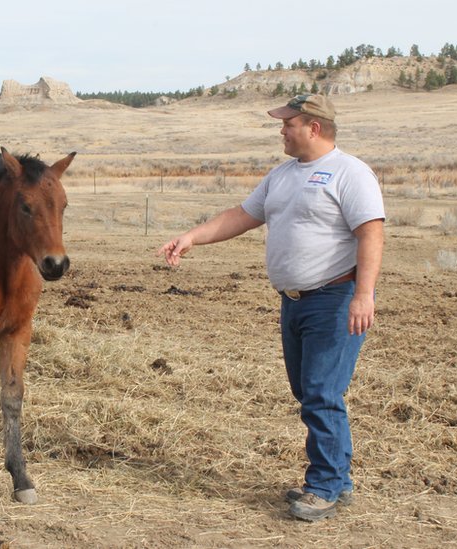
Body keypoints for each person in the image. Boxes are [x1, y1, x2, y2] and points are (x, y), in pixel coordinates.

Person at [157, 94, 385, 522]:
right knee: (309, 392)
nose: (281, 130)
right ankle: (338, 479)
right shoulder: (281, 176)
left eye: (287, 124)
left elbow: (370, 233)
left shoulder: (349, 173)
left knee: (321, 393)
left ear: (313, 127)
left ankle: (323, 487)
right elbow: (241, 215)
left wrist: (364, 294)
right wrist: (192, 236)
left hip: (334, 300)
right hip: (294, 302)